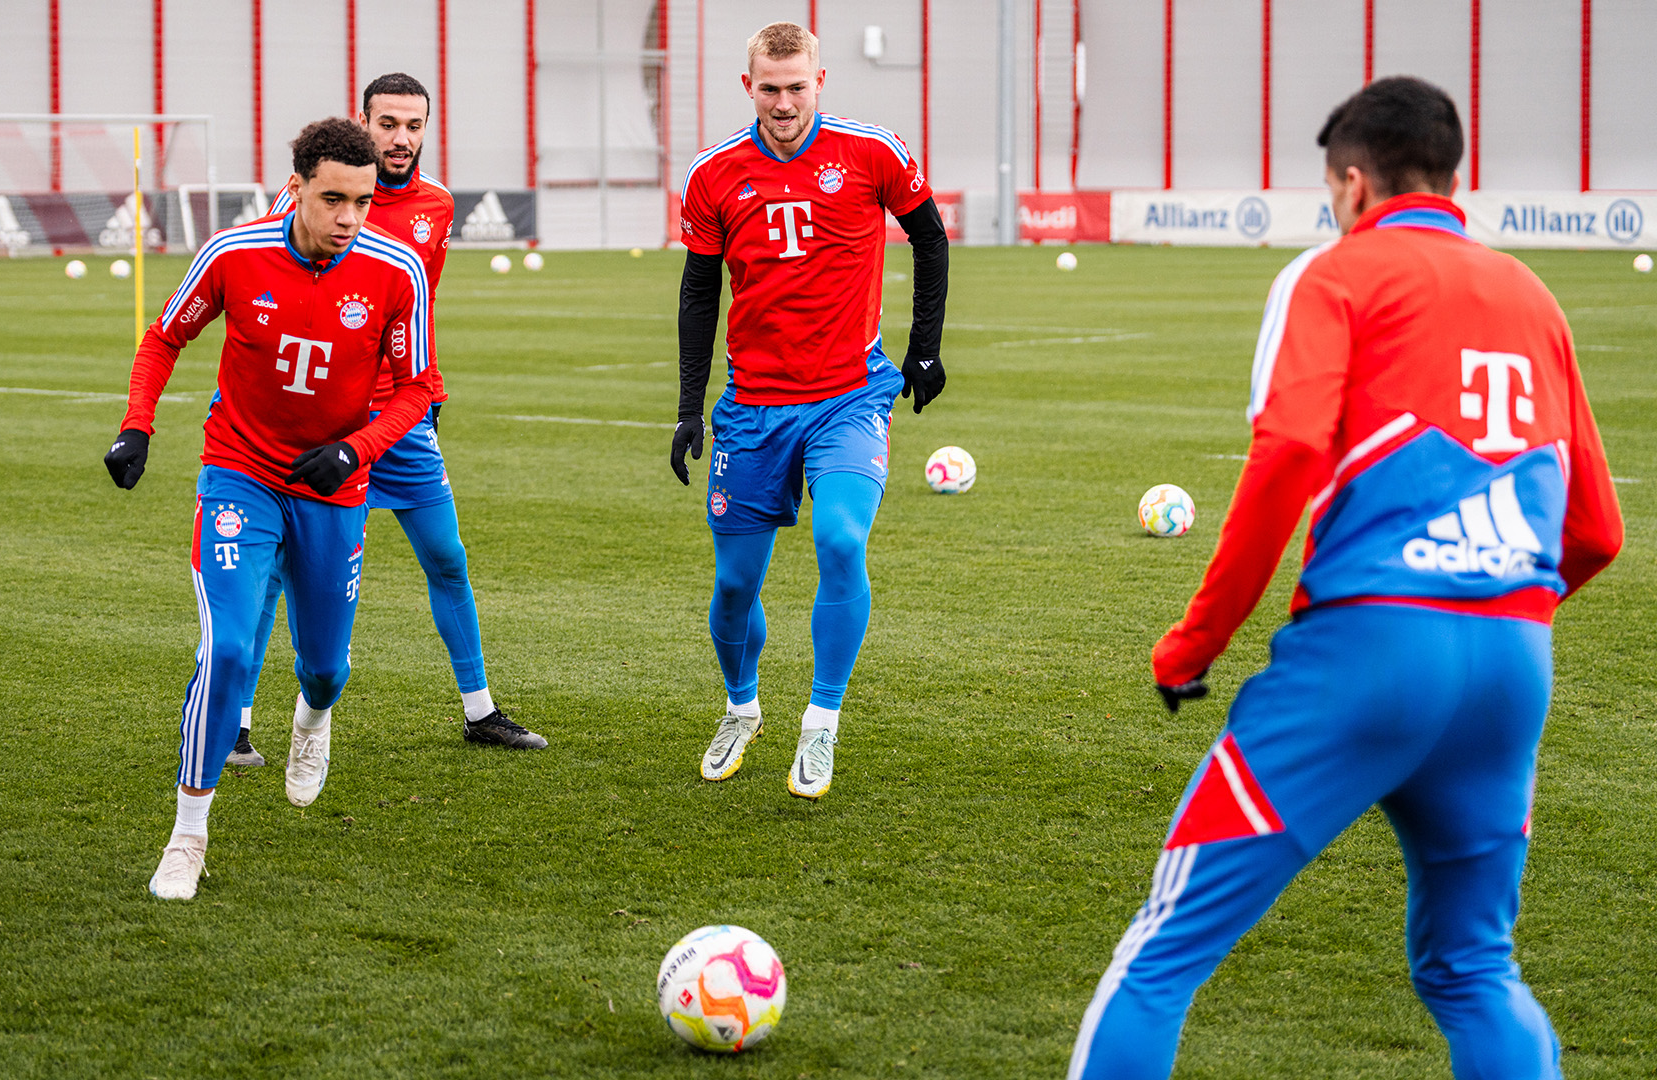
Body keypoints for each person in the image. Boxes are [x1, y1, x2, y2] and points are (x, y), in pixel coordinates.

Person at [1069, 77, 1623, 1079]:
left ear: (1355, 183)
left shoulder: (1338, 274)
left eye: (1331, 189)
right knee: (1474, 970)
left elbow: (1285, 456)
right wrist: (1495, 610)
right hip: (1511, 663)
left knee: (1162, 956)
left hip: (1366, 656)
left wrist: (1191, 646)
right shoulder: (1532, 294)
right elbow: (1598, 532)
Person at [103, 117, 434, 900]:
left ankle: (312, 723)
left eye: (361, 201)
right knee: (228, 651)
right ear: (296, 189)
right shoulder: (233, 253)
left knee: (325, 667)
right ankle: (188, 835)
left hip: (333, 486)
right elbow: (163, 339)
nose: (350, 217)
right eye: (332, 200)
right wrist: (137, 426)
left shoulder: (397, 270)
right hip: (239, 474)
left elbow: (418, 387)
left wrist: (357, 450)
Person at [231, 73, 543, 768]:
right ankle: (238, 723)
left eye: (414, 125)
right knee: (280, 569)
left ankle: (480, 710)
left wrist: (419, 401)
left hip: (401, 423)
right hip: (322, 419)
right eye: (389, 124)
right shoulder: (308, 196)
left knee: (447, 558)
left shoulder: (437, 206)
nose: (402, 138)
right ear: (363, 122)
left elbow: (415, 313)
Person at [673, 21, 949, 800]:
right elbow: (699, 292)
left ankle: (820, 723)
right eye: (771, 87)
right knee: (734, 587)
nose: (785, 101)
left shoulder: (873, 152)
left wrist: (922, 349)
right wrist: (689, 406)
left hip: (850, 397)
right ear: (748, 86)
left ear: (820, 81)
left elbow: (930, 240)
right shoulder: (713, 174)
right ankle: (741, 707)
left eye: (798, 86)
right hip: (754, 406)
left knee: (840, 540)